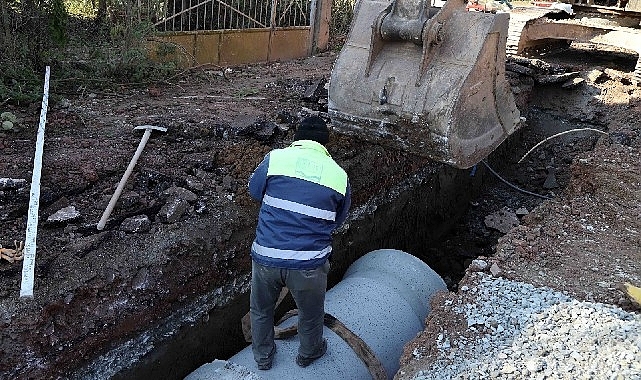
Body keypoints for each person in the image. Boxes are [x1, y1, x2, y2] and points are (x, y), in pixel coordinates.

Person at [247, 115, 351, 370]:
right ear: (325, 144)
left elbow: (254, 191)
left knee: (261, 311)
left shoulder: (276, 159)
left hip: (266, 258)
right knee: (310, 314)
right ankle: (308, 353)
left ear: (297, 139)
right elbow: (337, 221)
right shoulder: (338, 176)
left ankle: (263, 359)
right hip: (308, 264)